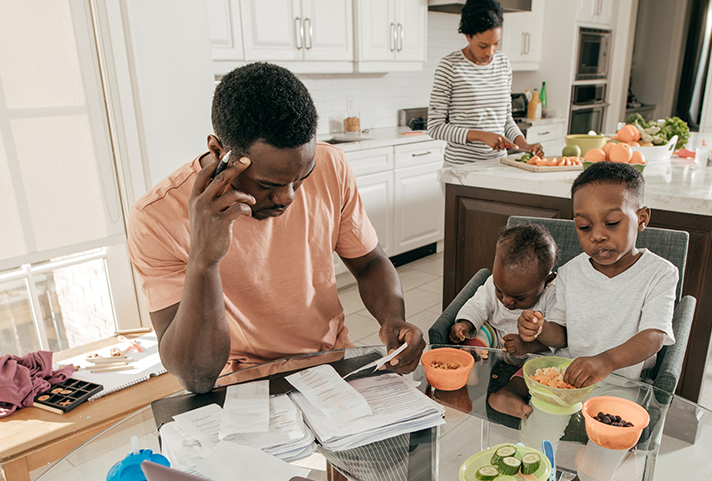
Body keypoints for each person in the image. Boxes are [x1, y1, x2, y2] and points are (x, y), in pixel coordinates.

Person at [127, 62, 425, 393]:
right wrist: (204, 258)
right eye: (268, 184)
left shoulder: (331, 164)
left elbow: (370, 263)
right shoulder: (155, 218)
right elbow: (197, 376)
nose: (287, 197)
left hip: (330, 361)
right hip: (238, 381)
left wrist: (392, 317)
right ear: (218, 152)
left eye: (302, 178)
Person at [492, 162, 678, 419]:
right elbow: (561, 337)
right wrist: (540, 328)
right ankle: (513, 394)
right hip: (566, 373)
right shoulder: (570, 272)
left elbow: (654, 336)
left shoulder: (660, 273)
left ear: (642, 218)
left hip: (621, 382)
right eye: (585, 226)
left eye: (612, 223)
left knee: (599, 451)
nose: (597, 236)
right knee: (538, 433)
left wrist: (606, 361)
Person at [427, 0, 544, 165]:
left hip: (498, 165)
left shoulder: (503, 63)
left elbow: (506, 119)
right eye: (483, 45)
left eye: (496, 44)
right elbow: (435, 127)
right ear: (468, 36)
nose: (490, 52)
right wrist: (482, 136)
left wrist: (524, 145)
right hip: (460, 168)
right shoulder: (450, 66)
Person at [449, 224, 557, 363]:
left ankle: (518, 380)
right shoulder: (494, 281)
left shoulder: (553, 295)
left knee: (543, 362)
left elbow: (555, 339)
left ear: (547, 281)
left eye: (519, 297)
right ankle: (473, 364)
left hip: (530, 349)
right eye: (499, 291)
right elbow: (477, 306)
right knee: (480, 332)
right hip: (496, 335)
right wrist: (465, 324)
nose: (506, 301)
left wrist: (528, 346)